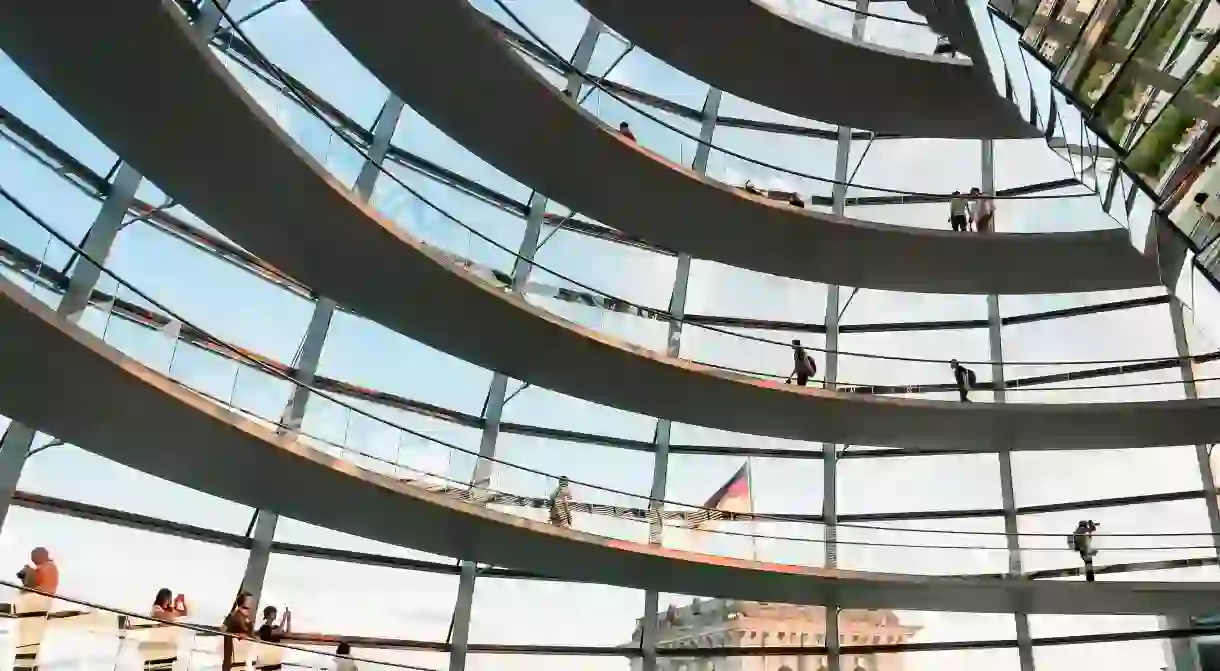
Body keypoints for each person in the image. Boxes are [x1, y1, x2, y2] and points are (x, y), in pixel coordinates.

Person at [14, 548, 57, 671]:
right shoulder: (47, 568)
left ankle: (25, 666)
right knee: (31, 639)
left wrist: (28, 574)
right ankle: (30, 665)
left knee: (28, 638)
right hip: (39, 605)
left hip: (36, 604)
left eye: (35, 557)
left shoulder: (47, 568)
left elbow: (36, 586)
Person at [143, 589, 189, 671]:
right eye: (169, 598)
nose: (170, 600)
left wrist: (181, 606)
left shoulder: (169, 610)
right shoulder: (156, 608)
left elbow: (182, 614)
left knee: (166, 667)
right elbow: (164, 617)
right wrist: (176, 613)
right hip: (157, 646)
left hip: (167, 647)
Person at [222, 591, 255, 671]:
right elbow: (222, 630)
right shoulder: (233, 617)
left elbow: (252, 637)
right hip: (232, 658)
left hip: (244, 658)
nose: (252, 604)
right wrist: (237, 635)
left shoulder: (249, 621)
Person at [256, 605, 291, 671]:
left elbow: (287, 634)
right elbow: (278, 632)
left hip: (276, 660)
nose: (275, 614)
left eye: (275, 613)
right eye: (273, 613)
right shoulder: (264, 628)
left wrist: (288, 619)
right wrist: (284, 618)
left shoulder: (276, 627)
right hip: (267, 661)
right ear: (268, 615)